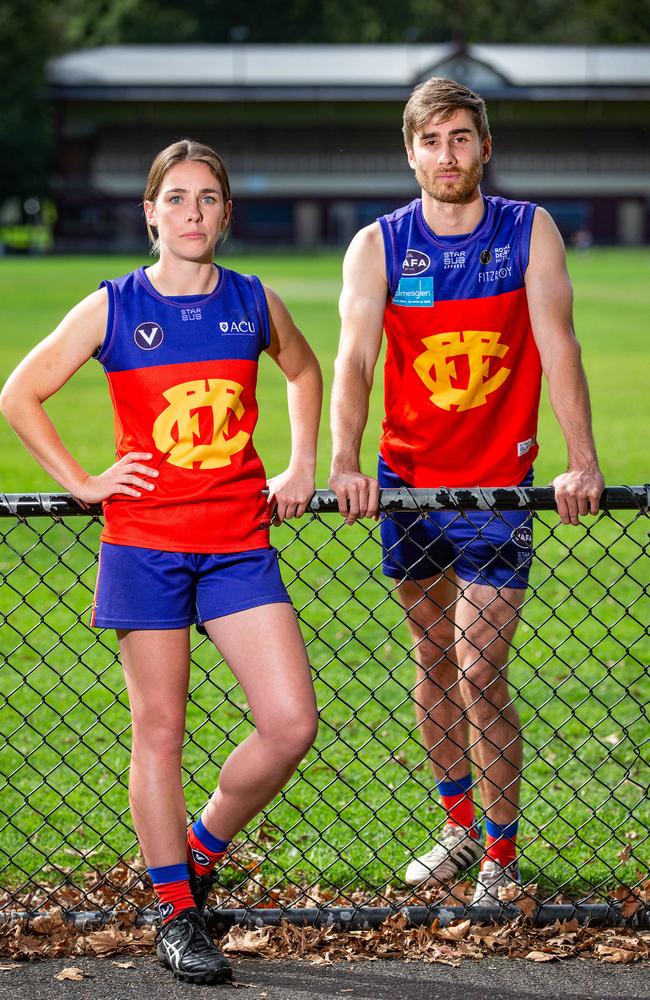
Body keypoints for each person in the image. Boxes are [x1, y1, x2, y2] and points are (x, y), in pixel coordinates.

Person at [0, 140, 322, 983]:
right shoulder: (113, 306)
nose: (192, 212)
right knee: (161, 731)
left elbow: (304, 368)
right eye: (176, 198)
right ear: (151, 212)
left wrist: (304, 463)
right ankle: (176, 912)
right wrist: (81, 481)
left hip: (235, 541)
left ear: (225, 211)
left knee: (291, 723)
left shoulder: (253, 300)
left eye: (208, 198)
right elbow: (19, 392)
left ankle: (201, 848)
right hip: (145, 542)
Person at [329, 78, 604, 904]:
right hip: (408, 484)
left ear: (484, 147)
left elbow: (559, 346)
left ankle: (501, 855)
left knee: (481, 668)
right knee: (433, 659)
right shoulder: (379, 244)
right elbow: (353, 361)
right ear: (408, 152)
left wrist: (581, 459)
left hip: (498, 491)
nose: (445, 155)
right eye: (429, 140)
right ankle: (456, 825)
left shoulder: (529, 229)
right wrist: (344, 459)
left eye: (459, 138)